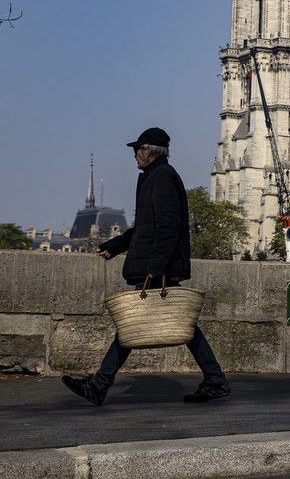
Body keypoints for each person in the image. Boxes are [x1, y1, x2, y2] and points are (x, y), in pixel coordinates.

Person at [62, 127, 230, 405]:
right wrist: (114, 246)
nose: (134, 156)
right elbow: (144, 229)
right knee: (181, 326)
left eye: (136, 150)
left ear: (148, 151)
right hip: (157, 263)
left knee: (134, 325)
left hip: (157, 267)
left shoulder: (161, 177)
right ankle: (215, 379)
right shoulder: (156, 177)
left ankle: (100, 384)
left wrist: (156, 267)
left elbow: (168, 227)